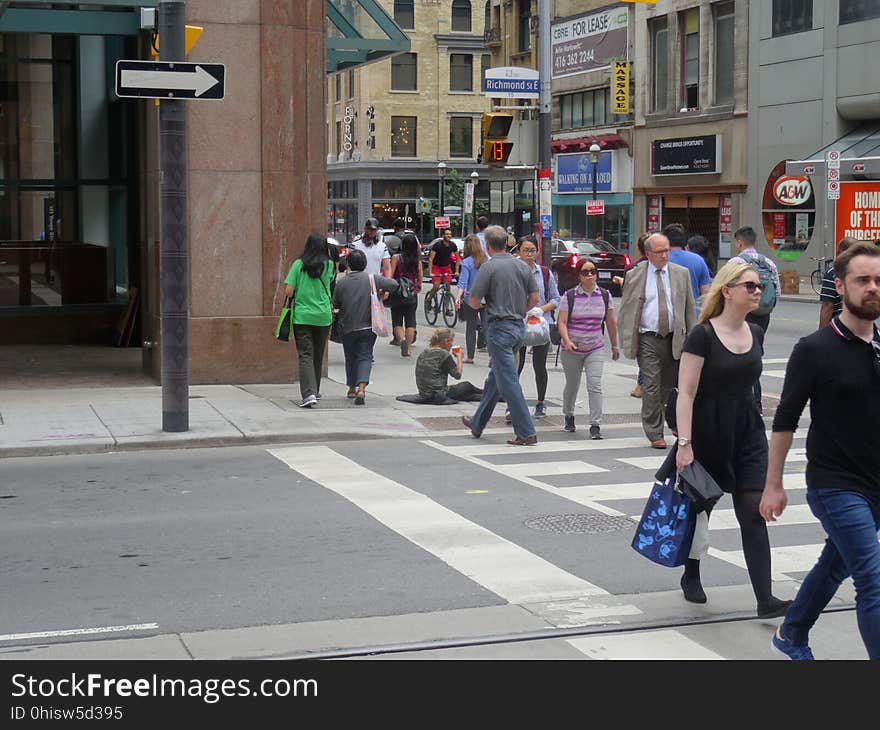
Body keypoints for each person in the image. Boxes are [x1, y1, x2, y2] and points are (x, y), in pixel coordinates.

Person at [760, 242, 880, 660]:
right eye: (863, 280)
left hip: (876, 483)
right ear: (841, 286)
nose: (873, 288)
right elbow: (785, 420)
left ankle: (791, 633)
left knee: (836, 563)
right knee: (872, 579)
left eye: (879, 281)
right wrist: (772, 484)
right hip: (835, 485)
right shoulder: (814, 349)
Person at [674, 261, 791, 618]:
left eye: (760, 286)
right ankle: (690, 574)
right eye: (750, 285)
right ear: (727, 291)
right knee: (699, 511)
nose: (758, 291)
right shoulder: (702, 335)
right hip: (708, 433)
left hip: (748, 434)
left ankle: (765, 599)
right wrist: (684, 443)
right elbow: (686, 393)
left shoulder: (756, 332)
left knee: (752, 513)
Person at [461, 225, 540, 446]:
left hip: (498, 328)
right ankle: (478, 422)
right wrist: (519, 309)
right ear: (506, 243)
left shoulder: (488, 267)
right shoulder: (522, 266)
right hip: (518, 327)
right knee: (496, 377)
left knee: (508, 381)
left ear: (487, 245)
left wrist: (489, 303)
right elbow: (535, 298)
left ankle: (526, 431)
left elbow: (474, 302)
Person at [617, 232, 697, 449]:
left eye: (667, 250)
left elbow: (689, 308)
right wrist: (623, 339)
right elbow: (626, 308)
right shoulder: (636, 274)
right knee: (651, 385)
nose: (665, 255)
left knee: (668, 386)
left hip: (674, 337)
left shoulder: (681, 274)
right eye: (660, 251)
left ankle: (665, 422)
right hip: (648, 338)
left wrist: (693, 337)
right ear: (649, 254)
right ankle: (654, 432)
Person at [556, 258, 620, 438]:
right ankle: (568, 414)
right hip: (572, 349)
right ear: (578, 276)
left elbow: (610, 322)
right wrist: (567, 341)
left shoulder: (605, 295)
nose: (590, 275)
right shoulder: (569, 296)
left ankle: (595, 424)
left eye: (593, 271)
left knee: (595, 385)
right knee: (572, 384)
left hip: (595, 347)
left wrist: (614, 345)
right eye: (585, 272)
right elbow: (561, 321)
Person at [331, 248, 398, 405]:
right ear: (365, 264)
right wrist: (380, 292)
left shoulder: (341, 283)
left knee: (350, 357)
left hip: (347, 327)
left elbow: (335, 304)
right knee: (365, 355)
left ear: (348, 264)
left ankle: (351, 388)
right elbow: (393, 284)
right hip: (369, 326)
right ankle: (362, 389)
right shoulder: (372, 279)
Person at [729, 225, 780, 414]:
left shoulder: (735, 262)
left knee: (736, 356)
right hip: (762, 316)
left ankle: (741, 401)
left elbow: (724, 290)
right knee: (754, 356)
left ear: (740, 242)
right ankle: (756, 403)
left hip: (742, 314)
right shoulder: (769, 263)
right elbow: (777, 292)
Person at [284, 233, 335, 408]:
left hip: (303, 316)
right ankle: (315, 390)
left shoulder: (298, 265)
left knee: (305, 354)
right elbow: (330, 283)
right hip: (323, 316)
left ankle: (308, 394)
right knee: (318, 354)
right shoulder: (329, 265)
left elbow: (289, 291)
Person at [515, 236, 561, 419]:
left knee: (539, 365)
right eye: (526, 250)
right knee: (516, 365)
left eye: (532, 250)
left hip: (541, 324)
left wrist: (541, 310)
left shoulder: (544, 273)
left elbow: (556, 299)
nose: (529, 254)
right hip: (519, 323)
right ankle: (514, 403)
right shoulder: (514, 271)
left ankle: (541, 403)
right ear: (518, 251)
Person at [614, 232, 649, 398]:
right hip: (648, 319)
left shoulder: (633, 269)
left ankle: (642, 385)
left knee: (644, 354)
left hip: (641, 319)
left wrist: (621, 283)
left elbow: (628, 294)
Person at [414, 328, 483, 404]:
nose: (451, 345)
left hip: (425, 393)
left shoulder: (424, 352)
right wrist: (459, 357)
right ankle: (488, 393)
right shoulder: (444, 354)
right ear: (446, 341)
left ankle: (492, 396)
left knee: (468, 396)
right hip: (439, 393)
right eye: (451, 342)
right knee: (467, 386)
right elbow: (457, 375)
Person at [664, 223, 712, 313]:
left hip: (666, 312)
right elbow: (705, 291)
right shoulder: (698, 260)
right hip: (692, 313)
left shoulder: (661, 259)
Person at [389, 233, 422, 357]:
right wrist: (417, 285)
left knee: (397, 321)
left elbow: (390, 275)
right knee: (411, 321)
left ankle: (401, 339)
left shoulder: (396, 258)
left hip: (398, 292)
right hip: (411, 292)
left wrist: (387, 289)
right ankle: (407, 347)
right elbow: (420, 276)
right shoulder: (417, 260)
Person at [456, 233, 487, 362]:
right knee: (487, 326)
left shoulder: (466, 262)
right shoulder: (487, 260)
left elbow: (463, 282)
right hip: (486, 298)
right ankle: (492, 356)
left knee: (471, 327)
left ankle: (470, 356)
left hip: (471, 299)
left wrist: (458, 297)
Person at [818, 236, 858, 328]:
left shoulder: (833, 273)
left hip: (840, 326)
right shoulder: (862, 273)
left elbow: (828, 306)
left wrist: (820, 335)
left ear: (839, 252)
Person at [427, 228, 459, 302]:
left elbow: (458, 258)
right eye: (447, 234)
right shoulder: (437, 245)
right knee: (436, 286)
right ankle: (429, 300)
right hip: (436, 267)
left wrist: (457, 271)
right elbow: (430, 259)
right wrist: (430, 272)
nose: (449, 236)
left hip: (446, 267)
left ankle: (447, 309)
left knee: (448, 287)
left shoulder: (453, 245)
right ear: (443, 235)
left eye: (450, 234)